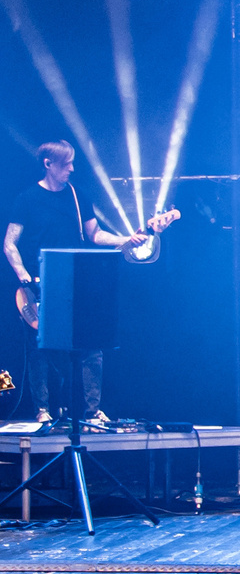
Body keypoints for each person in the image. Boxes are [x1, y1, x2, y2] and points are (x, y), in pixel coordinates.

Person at [6, 140, 158, 427]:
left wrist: (126, 239)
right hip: (39, 284)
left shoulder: (78, 196)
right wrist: (24, 275)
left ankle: (91, 410)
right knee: (40, 348)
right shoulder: (27, 199)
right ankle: (43, 409)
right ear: (48, 164)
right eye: (66, 164)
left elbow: (95, 234)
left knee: (91, 345)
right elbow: (10, 243)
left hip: (76, 281)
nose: (72, 169)